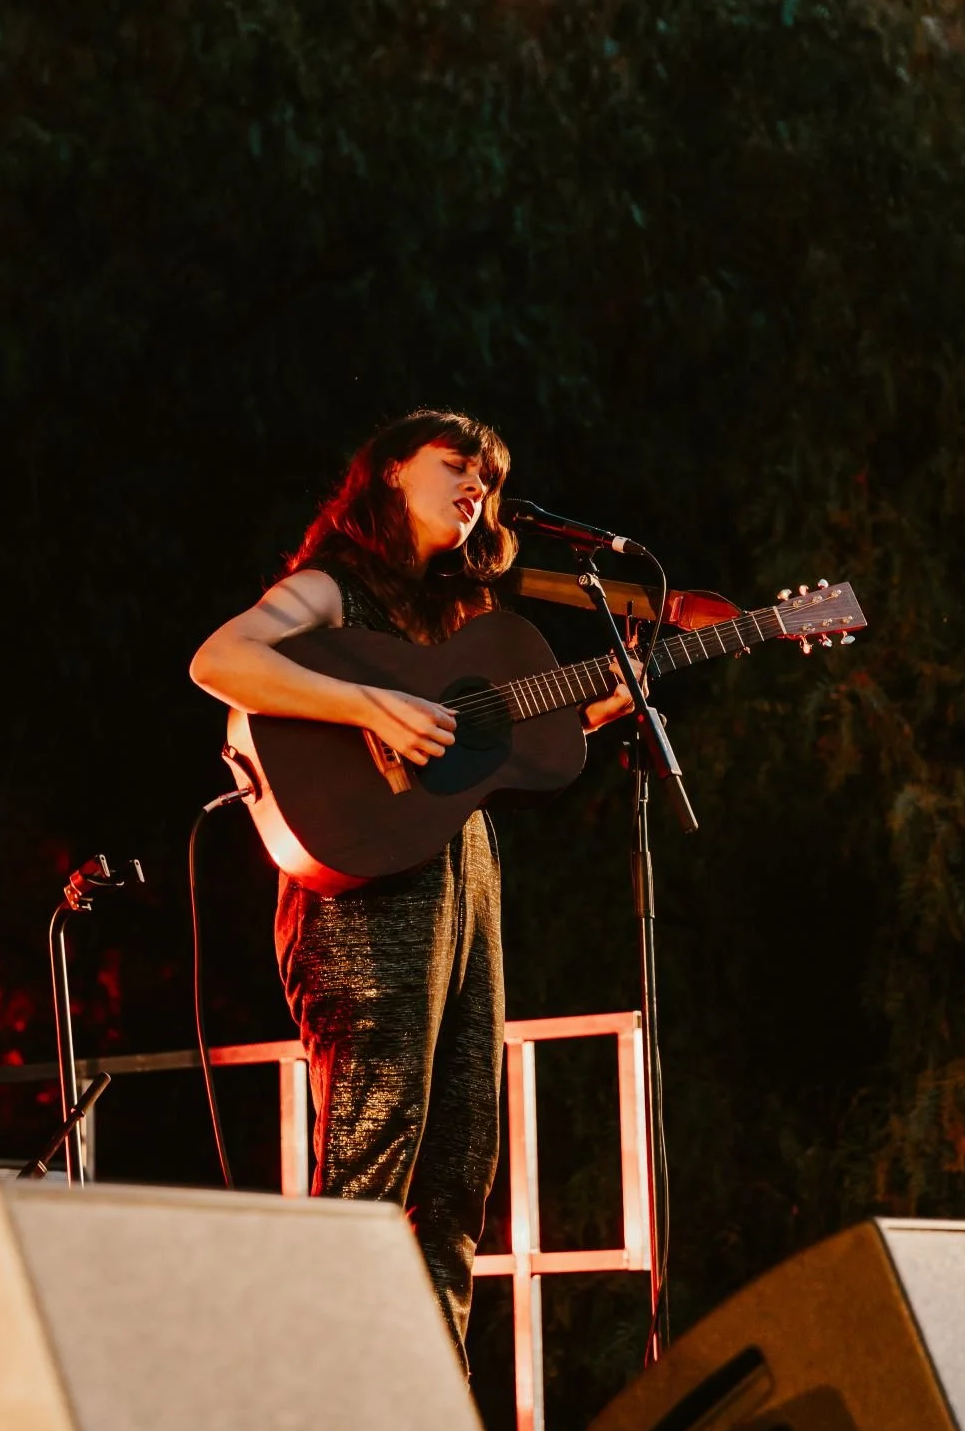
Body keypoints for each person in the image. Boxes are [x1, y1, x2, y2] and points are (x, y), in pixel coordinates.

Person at [190, 409, 636, 1367]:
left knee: (461, 1161)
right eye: (456, 464)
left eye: (490, 476)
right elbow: (219, 661)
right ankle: (333, 1426)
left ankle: (429, 1419)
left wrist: (594, 707)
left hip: (462, 874)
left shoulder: (465, 620)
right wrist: (364, 702)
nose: (477, 485)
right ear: (391, 472)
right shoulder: (332, 587)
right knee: (373, 1147)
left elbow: (488, 758)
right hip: (360, 892)